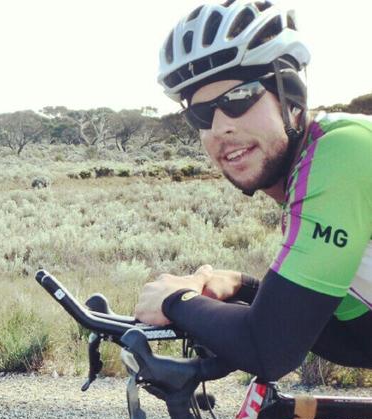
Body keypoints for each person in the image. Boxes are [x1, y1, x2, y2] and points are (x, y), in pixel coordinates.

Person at [134, 0, 372, 381]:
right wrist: (245, 288)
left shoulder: (344, 153)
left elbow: (270, 349)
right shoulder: (307, 172)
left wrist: (175, 300)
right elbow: (358, 339)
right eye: (201, 113)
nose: (221, 127)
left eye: (239, 99)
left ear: (289, 95)